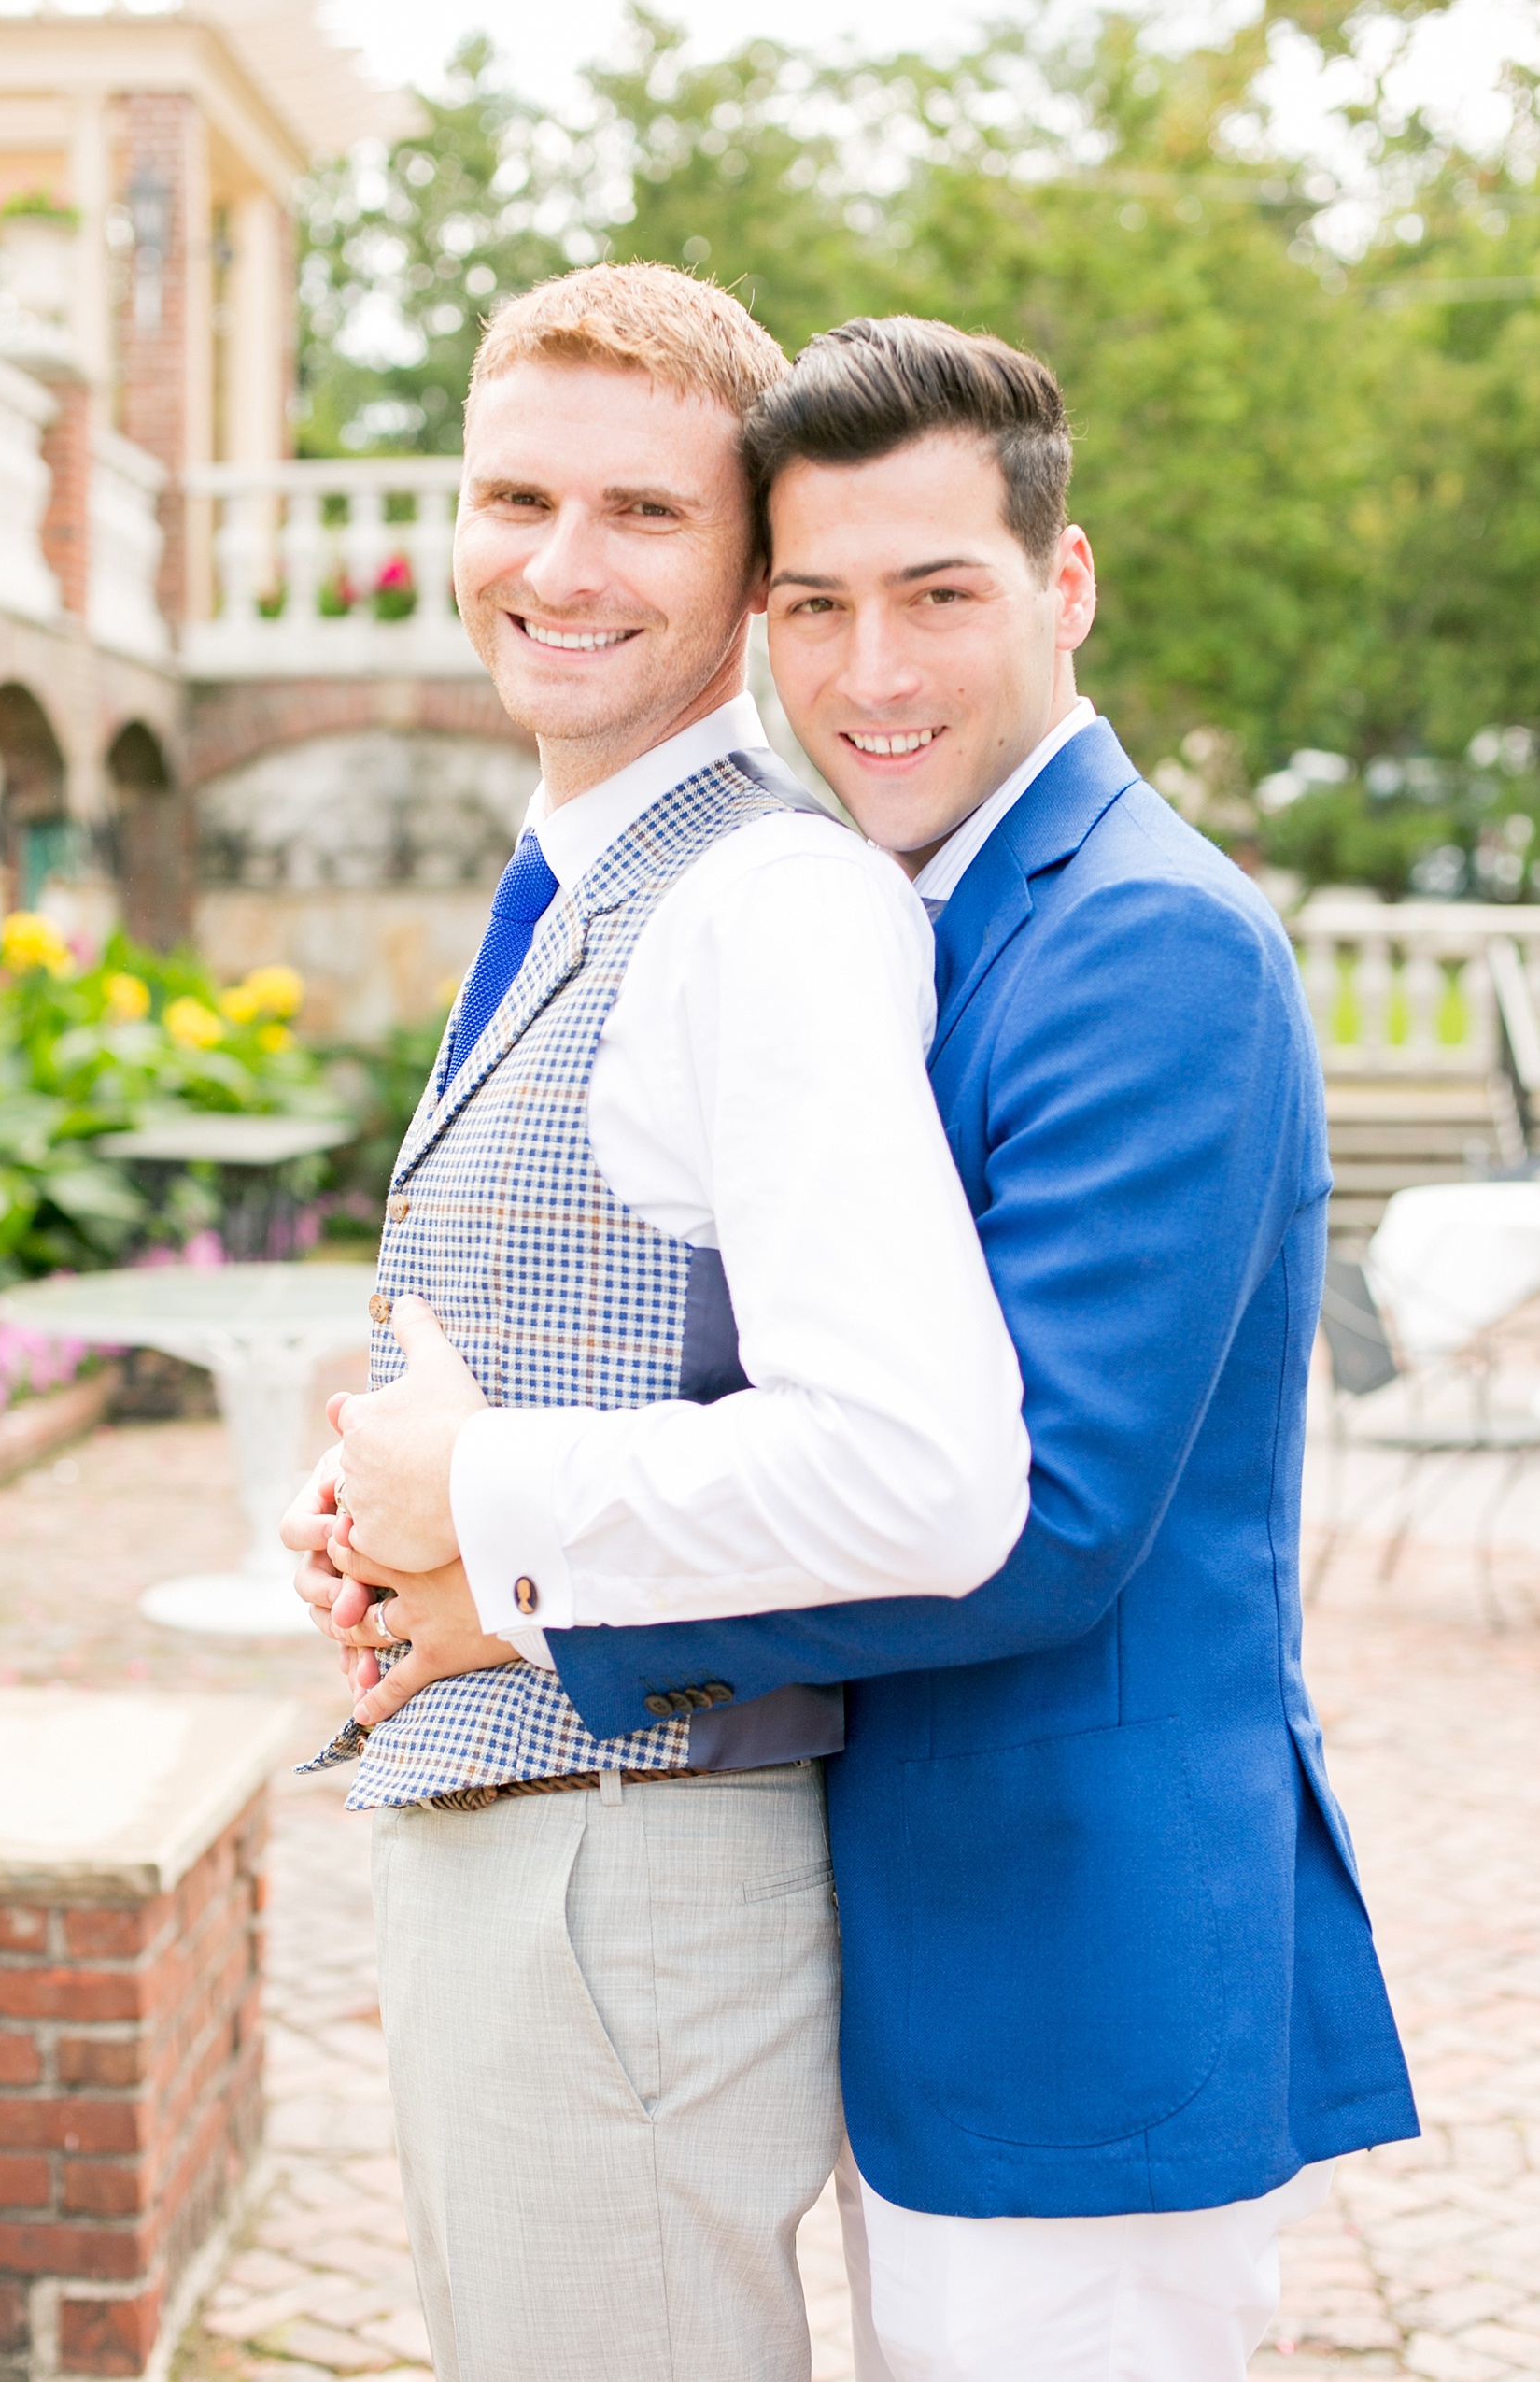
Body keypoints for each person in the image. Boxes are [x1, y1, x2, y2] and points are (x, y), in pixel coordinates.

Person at [536, 318, 1420, 2381]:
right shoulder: (919, 907)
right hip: (946, 1943)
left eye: (938, 595)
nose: (873, 676)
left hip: (1080, 1961)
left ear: (1066, 584)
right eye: (816, 608)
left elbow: (1042, 1528)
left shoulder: (1145, 939)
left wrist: (541, 1602)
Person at [283, 270, 1028, 2382]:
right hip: (545, 1851)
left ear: (750, 566)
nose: (558, 564)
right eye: (513, 493)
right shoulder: (597, 868)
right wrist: (384, 1514)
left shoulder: (766, 905)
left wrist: (477, 1499)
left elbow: (918, 1465)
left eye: (643, 514)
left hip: (624, 1866)